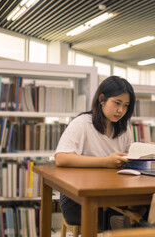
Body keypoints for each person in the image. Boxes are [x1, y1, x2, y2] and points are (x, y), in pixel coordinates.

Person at [54, 76, 136, 229]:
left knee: (144, 209)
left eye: (126, 106)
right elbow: (61, 158)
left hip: (112, 193)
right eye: (117, 103)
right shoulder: (82, 123)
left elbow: (128, 159)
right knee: (121, 217)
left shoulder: (124, 128)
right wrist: (105, 162)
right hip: (77, 198)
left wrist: (145, 153)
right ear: (102, 99)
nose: (121, 110)